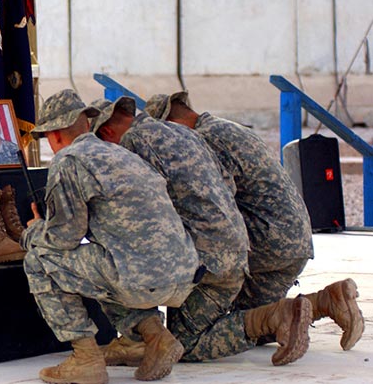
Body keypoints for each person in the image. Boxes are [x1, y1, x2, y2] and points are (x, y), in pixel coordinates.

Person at [91, 96, 312, 366]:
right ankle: (324, 301)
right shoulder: (204, 132)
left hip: (258, 245)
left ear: (106, 132)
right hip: (278, 244)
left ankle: (135, 338)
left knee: (181, 342)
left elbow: (143, 211)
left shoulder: (142, 141)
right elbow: (225, 188)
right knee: (253, 327)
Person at [144, 91, 364, 351]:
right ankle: (326, 301)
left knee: (185, 341)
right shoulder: (225, 127)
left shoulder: (203, 140)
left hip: (266, 240)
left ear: (172, 125)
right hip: (293, 242)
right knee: (261, 325)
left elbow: (211, 209)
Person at [20, 89, 202, 383]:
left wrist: (32, 232)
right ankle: (157, 338)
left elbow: (64, 237)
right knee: (105, 264)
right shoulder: (122, 153)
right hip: (182, 274)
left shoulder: (69, 160)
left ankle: (85, 358)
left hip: (140, 278)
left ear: (54, 135)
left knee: (39, 260)